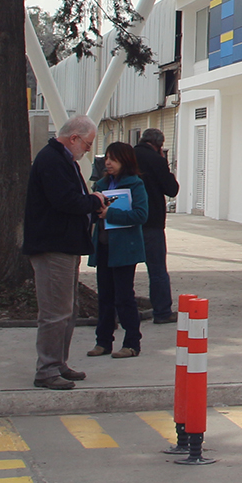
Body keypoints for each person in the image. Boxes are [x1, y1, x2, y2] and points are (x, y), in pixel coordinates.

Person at [23, 114, 106, 390]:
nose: (88, 150)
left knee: (67, 310)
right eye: (87, 144)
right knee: (55, 311)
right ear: (73, 138)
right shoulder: (52, 160)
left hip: (65, 244)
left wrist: (90, 204)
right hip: (53, 245)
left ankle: (58, 363)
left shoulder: (63, 160)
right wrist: (93, 201)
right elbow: (65, 200)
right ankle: (47, 369)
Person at [86, 142, 149, 359]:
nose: (108, 163)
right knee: (105, 296)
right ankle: (103, 342)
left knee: (124, 297)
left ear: (125, 160)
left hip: (124, 249)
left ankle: (132, 343)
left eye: (113, 159)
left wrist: (110, 214)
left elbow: (141, 214)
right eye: (107, 158)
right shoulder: (101, 184)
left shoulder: (135, 184)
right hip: (104, 246)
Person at [133, 128, 181, 323]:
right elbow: (171, 189)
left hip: (128, 221)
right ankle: (162, 312)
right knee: (157, 269)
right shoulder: (156, 160)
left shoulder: (128, 157)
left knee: (124, 270)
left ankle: (122, 310)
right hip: (152, 222)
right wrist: (164, 164)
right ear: (159, 145)